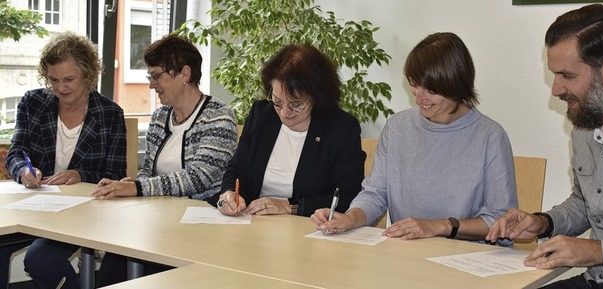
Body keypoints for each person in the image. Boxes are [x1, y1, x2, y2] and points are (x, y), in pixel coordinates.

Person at [486, 4, 603, 289]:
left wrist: (596, 252)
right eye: (554, 75)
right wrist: (543, 223)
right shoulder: (586, 123)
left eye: (567, 76)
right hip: (598, 281)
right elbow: (586, 203)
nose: (556, 89)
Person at [312, 32, 518, 242]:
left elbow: (500, 219)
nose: (419, 98)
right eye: (414, 84)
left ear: (455, 85)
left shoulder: (490, 137)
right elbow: (375, 194)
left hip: (466, 257)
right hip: (408, 253)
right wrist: (350, 218)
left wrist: (438, 226)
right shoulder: (397, 127)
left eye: (430, 90)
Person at [90, 34, 237, 287]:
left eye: (157, 76)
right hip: (157, 220)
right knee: (112, 266)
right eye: (150, 77)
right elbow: (149, 170)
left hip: (199, 227)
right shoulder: (160, 116)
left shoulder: (219, 116)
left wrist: (138, 188)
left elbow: (200, 177)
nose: (151, 85)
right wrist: (133, 184)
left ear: (185, 74)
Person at [1, 32, 127, 289]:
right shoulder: (32, 103)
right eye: (54, 80)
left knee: (41, 258)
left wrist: (81, 174)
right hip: (35, 209)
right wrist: (24, 170)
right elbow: (15, 154)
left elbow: (115, 174)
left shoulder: (110, 113)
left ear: (88, 75)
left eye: (69, 79)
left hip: (84, 213)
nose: (61, 88)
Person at [210, 44, 365, 217]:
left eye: (295, 105)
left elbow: (345, 196)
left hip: (308, 228)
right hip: (253, 223)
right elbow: (237, 170)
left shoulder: (341, 129)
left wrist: (289, 206)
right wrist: (230, 195)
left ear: (317, 96)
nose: (284, 113)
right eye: (277, 101)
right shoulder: (262, 115)